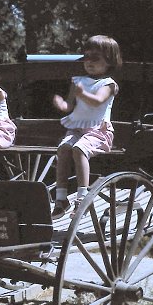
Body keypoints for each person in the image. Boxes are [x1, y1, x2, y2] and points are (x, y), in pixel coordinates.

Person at [51, 35, 122, 218]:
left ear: (109, 61)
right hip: (77, 128)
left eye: (95, 58)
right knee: (63, 148)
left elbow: (98, 101)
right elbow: (70, 106)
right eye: (86, 57)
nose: (89, 61)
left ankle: (82, 199)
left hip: (99, 130)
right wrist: (62, 105)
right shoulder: (78, 81)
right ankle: (61, 198)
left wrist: (82, 93)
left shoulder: (108, 84)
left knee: (79, 149)